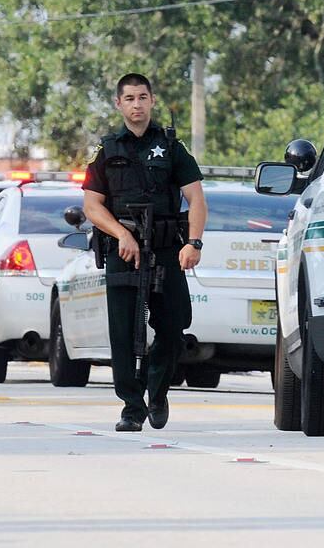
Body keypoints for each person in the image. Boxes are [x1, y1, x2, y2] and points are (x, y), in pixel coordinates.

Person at [82, 73, 207, 432]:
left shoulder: (171, 148)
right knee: (123, 332)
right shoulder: (107, 151)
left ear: (152, 101)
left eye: (142, 97)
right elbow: (92, 205)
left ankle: (158, 387)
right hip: (123, 251)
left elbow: (195, 197)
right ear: (118, 104)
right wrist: (122, 233)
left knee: (174, 324)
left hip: (167, 248)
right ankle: (132, 407)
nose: (137, 104)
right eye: (130, 98)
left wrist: (193, 242)